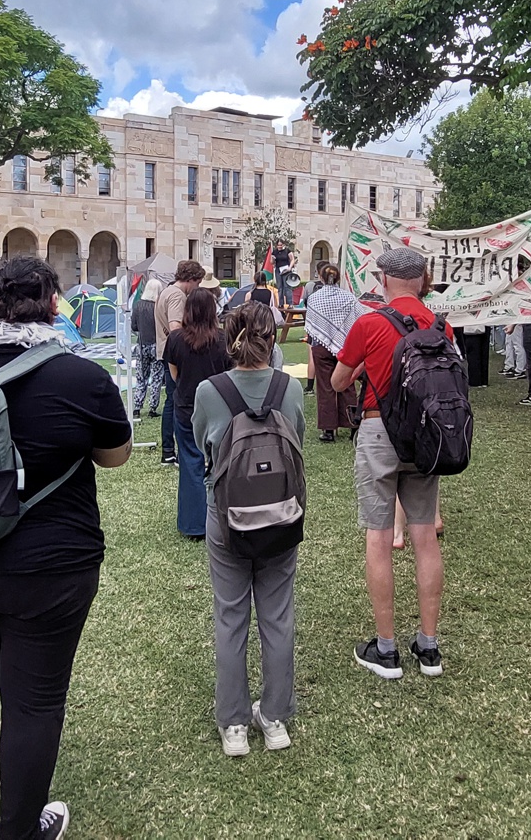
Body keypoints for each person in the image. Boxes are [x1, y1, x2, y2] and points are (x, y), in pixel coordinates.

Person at [0, 256, 132, 840]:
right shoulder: (79, 375)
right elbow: (115, 455)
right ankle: (20, 828)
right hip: (50, 562)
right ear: (54, 301)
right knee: (34, 698)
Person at [330, 246, 451, 680]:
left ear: (383, 278)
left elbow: (337, 380)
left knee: (379, 538)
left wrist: (368, 364)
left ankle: (386, 649)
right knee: (425, 540)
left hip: (380, 431)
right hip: (426, 437)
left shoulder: (369, 323)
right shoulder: (441, 326)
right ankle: (429, 646)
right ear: (423, 278)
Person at [193, 301, 304, 756]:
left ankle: (234, 724)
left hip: (227, 516)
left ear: (228, 337)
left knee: (230, 616)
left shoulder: (209, 390)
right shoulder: (291, 388)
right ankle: (275, 718)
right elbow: (296, 438)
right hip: (282, 512)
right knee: (277, 617)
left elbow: (205, 445)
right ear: (272, 338)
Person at [164, 289, 231, 540]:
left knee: (190, 463)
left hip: (186, 407)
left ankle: (194, 524)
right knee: (221, 462)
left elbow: (174, 375)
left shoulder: (176, 339)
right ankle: (222, 519)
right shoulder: (223, 340)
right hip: (219, 407)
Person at [303, 263, 361, 443]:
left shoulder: (314, 298)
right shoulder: (349, 297)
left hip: (321, 346)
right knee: (348, 384)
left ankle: (328, 430)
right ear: (338, 278)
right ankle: (353, 425)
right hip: (346, 346)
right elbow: (359, 319)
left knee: (325, 386)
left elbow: (312, 323)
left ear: (321, 277)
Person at [153, 261, 203, 467]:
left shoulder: (166, 291)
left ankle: (168, 451)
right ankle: (172, 452)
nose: (198, 288)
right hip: (173, 355)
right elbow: (175, 328)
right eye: (198, 282)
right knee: (176, 402)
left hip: (165, 351)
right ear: (190, 280)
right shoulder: (177, 296)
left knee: (171, 402)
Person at [130, 278, 164, 419]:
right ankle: (152, 408)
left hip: (142, 344)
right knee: (156, 378)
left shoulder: (138, 305)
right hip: (156, 346)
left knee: (141, 377)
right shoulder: (159, 306)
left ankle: (137, 406)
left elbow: (134, 326)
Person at [270, 241, 294, 306]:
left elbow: (292, 259)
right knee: (280, 287)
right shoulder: (274, 252)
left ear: (283, 245)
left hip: (286, 270)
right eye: (278, 245)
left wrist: (290, 267)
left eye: (281, 245)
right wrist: (272, 259)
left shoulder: (287, 251)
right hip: (278, 270)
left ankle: (290, 303)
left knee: (287, 287)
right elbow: (272, 262)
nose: (279, 246)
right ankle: (281, 303)